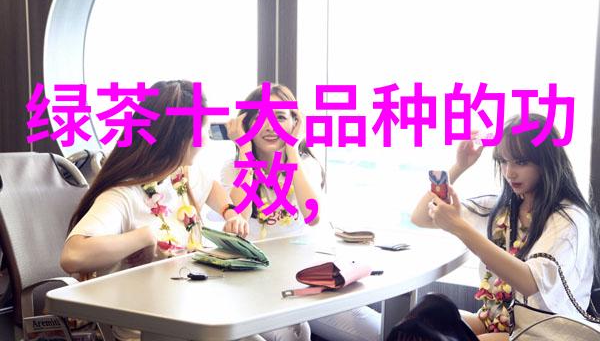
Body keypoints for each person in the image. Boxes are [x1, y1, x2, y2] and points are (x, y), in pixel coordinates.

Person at [60, 80, 261, 341]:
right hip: (149, 330)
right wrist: (145, 236)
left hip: (189, 315)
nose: (204, 141)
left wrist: (229, 212)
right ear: (178, 139)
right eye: (202, 131)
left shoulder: (180, 176)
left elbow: (211, 187)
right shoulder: (123, 195)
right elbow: (72, 255)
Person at [411, 114, 599, 340]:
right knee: (422, 327)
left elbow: (530, 282)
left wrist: (459, 227)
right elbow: (421, 217)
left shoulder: (569, 218)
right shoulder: (501, 208)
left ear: (545, 161)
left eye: (521, 162)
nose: (509, 172)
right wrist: (459, 166)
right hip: (497, 320)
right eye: (503, 161)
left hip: (543, 332)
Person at [221, 83, 381, 341]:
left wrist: (292, 151)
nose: (270, 126)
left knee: (379, 332)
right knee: (294, 334)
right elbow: (239, 212)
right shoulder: (233, 168)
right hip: (258, 287)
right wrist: (245, 151)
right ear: (246, 123)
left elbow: (312, 216)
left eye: (280, 116)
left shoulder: (306, 165)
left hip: (311, 281)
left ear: (295, 123)